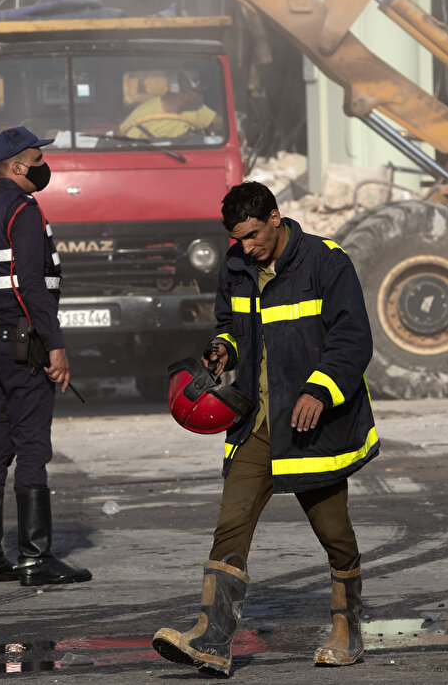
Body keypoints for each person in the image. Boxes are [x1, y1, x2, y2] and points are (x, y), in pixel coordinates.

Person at [153, 181, 379, 675]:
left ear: (276, 217)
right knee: (230, 525)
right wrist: (224, 350)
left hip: (310, 426)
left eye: (254, 235)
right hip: (255, 424)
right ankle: (212, 639)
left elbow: (353, 338)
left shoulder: (326, 261)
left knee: (334, 534)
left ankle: (348, 629)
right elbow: (232, 326)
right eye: (238, 238)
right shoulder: (235, 266)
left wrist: (319, 390)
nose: (247, 247)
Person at [0, 126, 92, 587]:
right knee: (32, 445)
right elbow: (32, 286)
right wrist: (56, 345)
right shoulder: (24, 211)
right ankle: (35, 558)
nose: (43, 165)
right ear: (16, 166)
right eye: (37, 158)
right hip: (23, 346)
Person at [119, 80, 224, 139]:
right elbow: (127, 146)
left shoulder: (196, 108)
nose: (203, 98)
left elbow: (222, 123)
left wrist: (211, 132)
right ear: (187, 95)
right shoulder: (142, 114)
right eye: (201, 94)